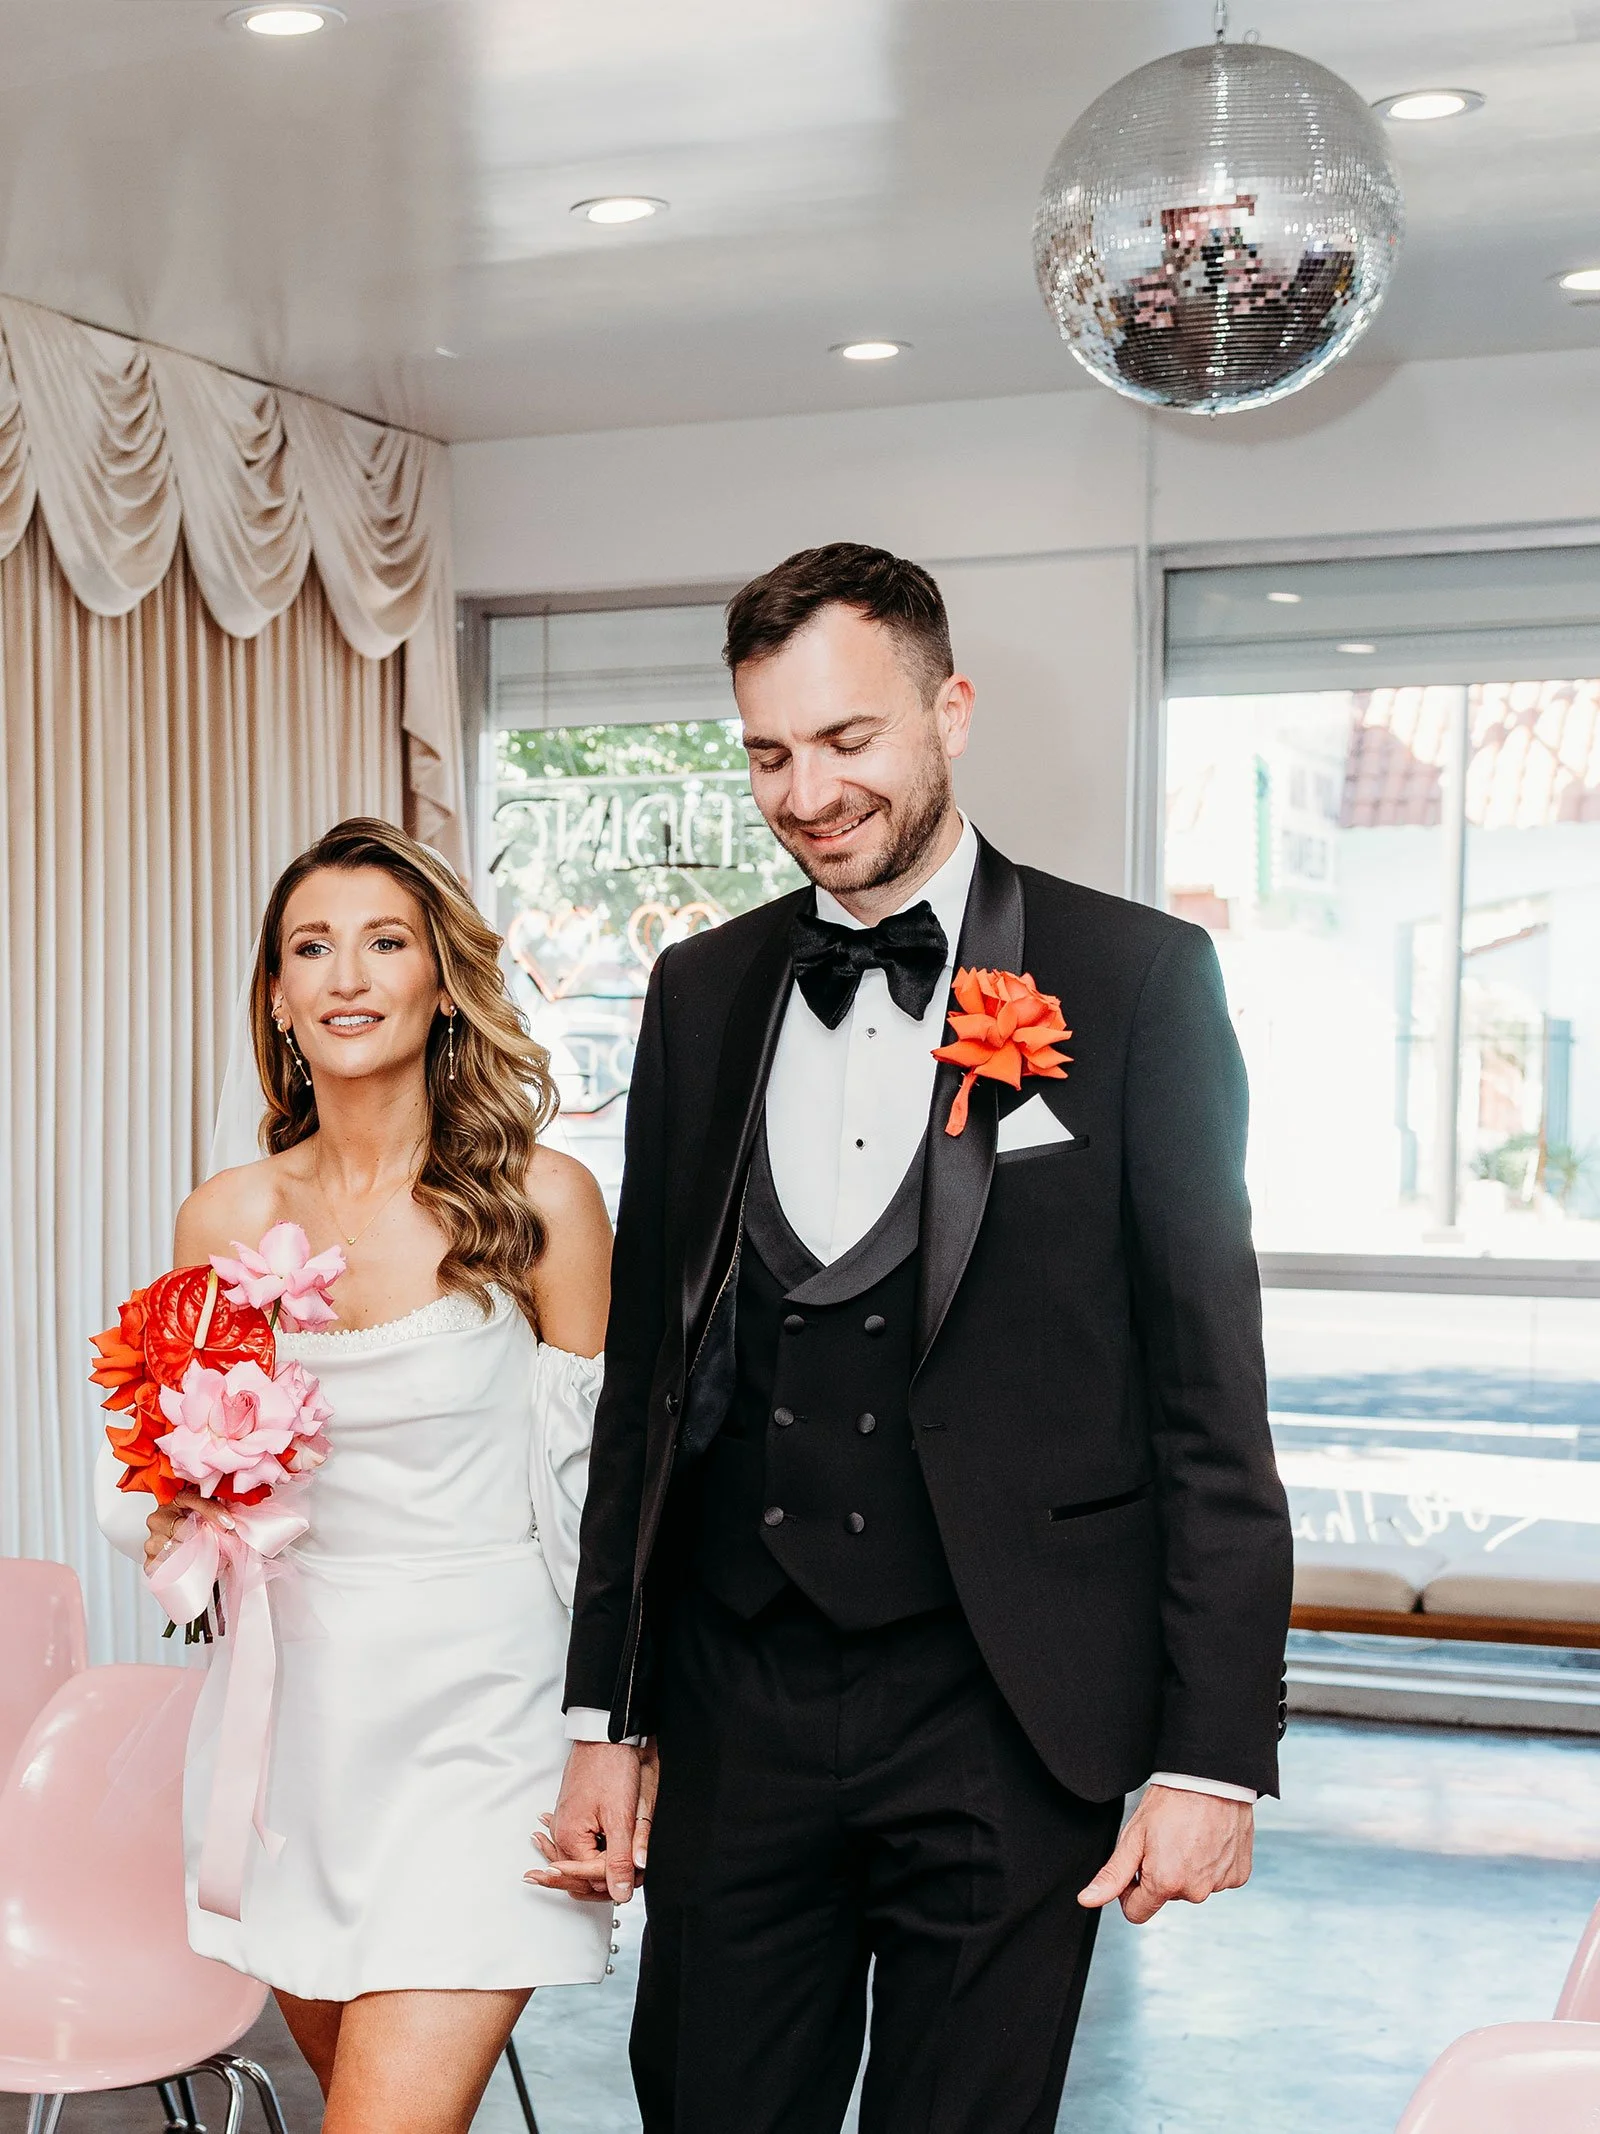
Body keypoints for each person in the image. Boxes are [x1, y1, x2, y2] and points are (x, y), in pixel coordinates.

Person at [533, 545, 1294, 2132]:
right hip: (739, 1692)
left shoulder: (1138, 980)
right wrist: (605, 1712)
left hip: (1010, 1703)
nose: (807, 790)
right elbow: (646, 1398)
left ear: (950, 708)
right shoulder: (699, 989)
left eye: (849, 738)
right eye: (768, 750)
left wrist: (1214, 1754)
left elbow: (1209, 1400)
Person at [96, 817, 624, 2134]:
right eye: (311, 947)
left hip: (485, 1725)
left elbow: (601, 1505)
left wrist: (614, 1738)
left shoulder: (546, 1201)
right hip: (294, 1735)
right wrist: (177, 1511)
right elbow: (167, 1495)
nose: (347, 975)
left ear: (441, 977)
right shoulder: (219, 1216)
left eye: (385, 942)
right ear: (275, 995)